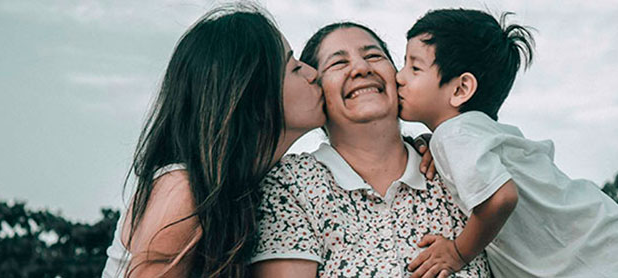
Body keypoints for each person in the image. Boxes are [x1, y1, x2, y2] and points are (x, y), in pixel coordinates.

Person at [396, 8, 618, 278]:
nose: (399, 77)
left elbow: (501, 198)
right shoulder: (471, 134)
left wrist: (458, 252)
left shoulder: (454, 136)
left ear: (461, 89)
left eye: (414, 67)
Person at [250, 22, 493, 278]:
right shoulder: (290, 186)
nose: (361, 68)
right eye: (338, 63)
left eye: (373, 56)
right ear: (317, 89)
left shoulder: (458, 169)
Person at [100, 4, 325, 278]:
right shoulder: (183, 190)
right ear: (253, 95)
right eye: (294, 67)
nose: (312, 73)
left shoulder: (257, 191)